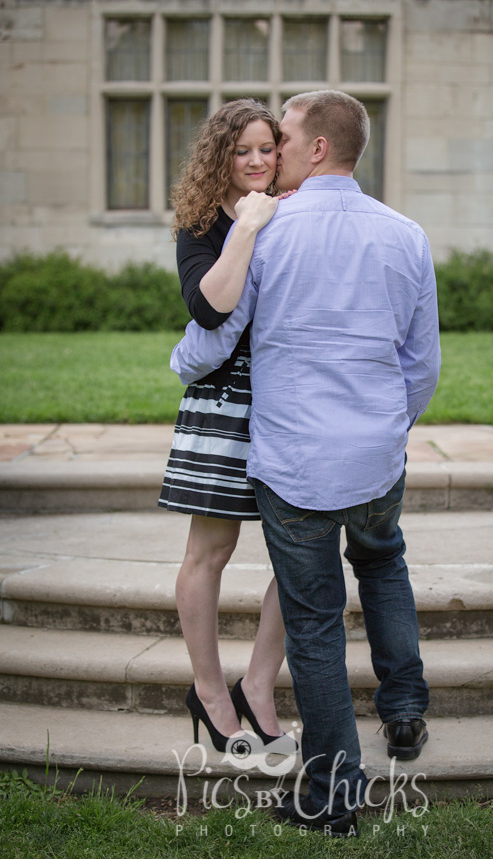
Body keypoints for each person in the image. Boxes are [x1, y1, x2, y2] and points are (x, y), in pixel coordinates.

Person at [171, 90, 441, 835]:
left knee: (316, 621)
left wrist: (178, 360)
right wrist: (388, 430)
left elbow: (217, 338)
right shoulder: (407, 233)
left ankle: (333, 793)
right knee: (384, 563)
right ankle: (406, 709)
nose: (273, 151)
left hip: (294, 459)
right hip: (378, 456)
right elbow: (423, 364)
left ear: (317, 148)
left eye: (283, 137)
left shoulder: (268, 228)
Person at [159, 98, 296, 756]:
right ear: (221, 156)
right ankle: (210, 692)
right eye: (241, 151)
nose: (256, 162)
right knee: (210, 552)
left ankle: (258, 684)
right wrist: (245, 227)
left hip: (292, 401)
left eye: (267, 148)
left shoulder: (301, 212)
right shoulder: (201, 222)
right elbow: (208, 311)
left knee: (304, 553)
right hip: (223, 404)